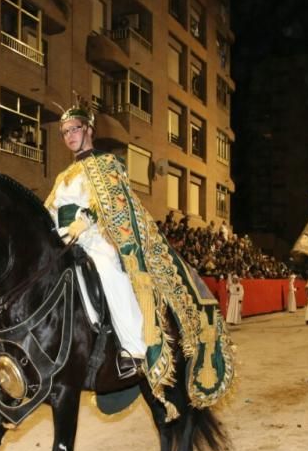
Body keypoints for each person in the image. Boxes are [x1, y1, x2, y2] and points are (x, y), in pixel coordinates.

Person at [44, 98, 234, 405]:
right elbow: (50, 209)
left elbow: (116, 205)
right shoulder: (63, 176)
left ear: (89, 129)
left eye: (74, 129)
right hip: (63, 238)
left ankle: (133, 349)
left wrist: (86, 220)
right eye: (64, 132)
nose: (69, 136)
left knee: (108, 269)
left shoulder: (106, 164)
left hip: (95, 237)